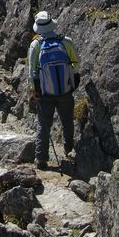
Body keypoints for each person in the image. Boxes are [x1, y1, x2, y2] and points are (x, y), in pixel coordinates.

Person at [27, 11, 81, 170]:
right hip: (66, 90)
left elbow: (32, 72)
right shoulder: (65, 41)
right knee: (67, 121)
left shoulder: (36, 45)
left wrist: (35, 91)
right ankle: (69, 149)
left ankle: (41, 159)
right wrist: (72, 82)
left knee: (44, 125)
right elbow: (76, 64)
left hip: (45, 93)